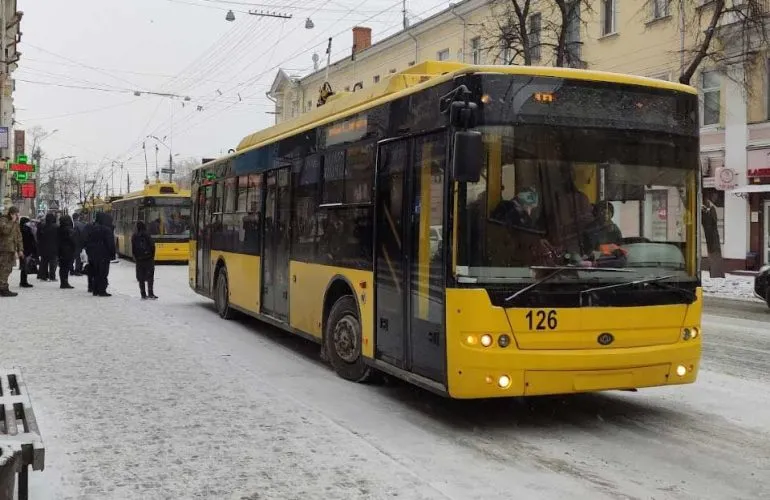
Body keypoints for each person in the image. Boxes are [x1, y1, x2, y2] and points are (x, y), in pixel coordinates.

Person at [85, 212, 115, 297]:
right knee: (103, 273)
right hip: (103, 255)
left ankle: (95, 290)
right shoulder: (107, 230)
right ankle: (102, 290)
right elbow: (110, 244)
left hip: (93, 255)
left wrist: (89, 252)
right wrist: (112, 254)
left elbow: (87, 241)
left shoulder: (92, 228)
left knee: (96, 272)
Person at [0, 206, 24, 297]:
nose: (18, 216)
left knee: (8, 269)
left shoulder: (16, 222)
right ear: (11, 214)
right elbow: (5, 230)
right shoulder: (3, 219)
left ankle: (3, 287)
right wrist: (12, 221)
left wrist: (20, 249)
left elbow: (19, 237)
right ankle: (3, 289)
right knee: (4, 269)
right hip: (4, 249)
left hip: (11, 249)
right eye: (16, 214)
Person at [131, 221, 157, 299]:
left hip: (139, 260)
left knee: (141, 277)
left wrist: (136, 257)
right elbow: (153, 246)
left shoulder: (134, 236)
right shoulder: (147, 235)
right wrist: (152, 256)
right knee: (150, 277)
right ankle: (150, 293)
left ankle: (143, 294)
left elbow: (133, 249)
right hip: (148, 259)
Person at [37, 212, 59, 281]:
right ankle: (52, 276)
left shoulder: (42, 226)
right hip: (54, 247)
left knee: (44, 262)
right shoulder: (56, 227)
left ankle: (43, 276)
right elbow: (59, 238)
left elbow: (38, 237)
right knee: (53, 263)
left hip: (43, 247)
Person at [57, 214, 77, 289]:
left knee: (62, 267)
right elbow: (73, 241)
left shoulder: (59, 229)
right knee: (66, 267)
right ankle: (65, 283)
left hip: (60, 250)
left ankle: (63, 282)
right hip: (68, 251)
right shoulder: (69, 229)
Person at [19, 216, 37, 288]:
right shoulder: (26, 229)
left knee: (24, 266)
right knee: (25, 266)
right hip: (27, 250)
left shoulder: (21, 229)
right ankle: (24, 282)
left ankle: (23, 281)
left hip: (23, 249)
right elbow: (30, 240)